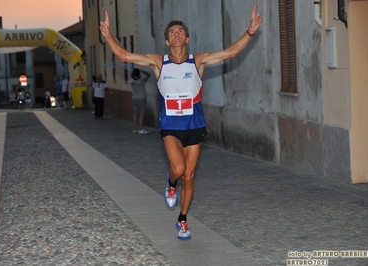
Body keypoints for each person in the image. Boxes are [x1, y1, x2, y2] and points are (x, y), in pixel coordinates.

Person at [100, 5, 262, 240]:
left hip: (194, 125)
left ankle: (182, 220)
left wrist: (249, 32)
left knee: (190, 176)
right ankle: (170, 182)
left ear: (186, 38)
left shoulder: (199, 61)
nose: (176, 34)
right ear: (167, 41)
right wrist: (108, 36)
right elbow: (125, 56)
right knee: (178, 170)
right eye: (172, 32)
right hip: (171, 127)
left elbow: (230, 53)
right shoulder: (158, 63)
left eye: (180, 31)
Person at [130, 68, 151, 134]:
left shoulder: (131, 81)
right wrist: (142, 70)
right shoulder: (142, 80)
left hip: (134, 98)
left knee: (135, 114)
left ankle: (134, 128)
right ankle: (140, 128)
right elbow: (148, 74)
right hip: (141, 98)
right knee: (141, 113)